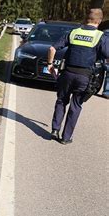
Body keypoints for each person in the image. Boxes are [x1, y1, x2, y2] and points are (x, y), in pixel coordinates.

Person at [47, 8, 109, 144]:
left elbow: (52, 48)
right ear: (99, 21)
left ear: (86, 19)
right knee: (76, 105)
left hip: (67, 74)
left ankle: (55, 129)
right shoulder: (100, 37)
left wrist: (50, 65)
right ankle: (66, 138)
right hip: (85, 77)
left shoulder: (74, 32)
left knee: (61, 100)